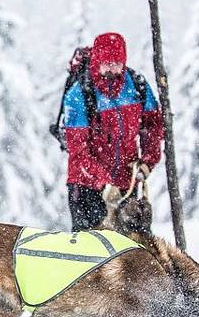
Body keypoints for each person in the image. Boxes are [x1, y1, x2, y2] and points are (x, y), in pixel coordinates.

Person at [63, 32, 164, 231]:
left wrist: (147, 163)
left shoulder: (136, 86)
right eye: (107, 64)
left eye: (116, 64)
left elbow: (152, 126)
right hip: (86, 187)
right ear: (97, 61)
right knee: (91, 250)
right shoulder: (79, 95)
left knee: (133, 250)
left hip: (127, 183)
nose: (112, 69)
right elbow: (78, 150)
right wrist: (104, 183)